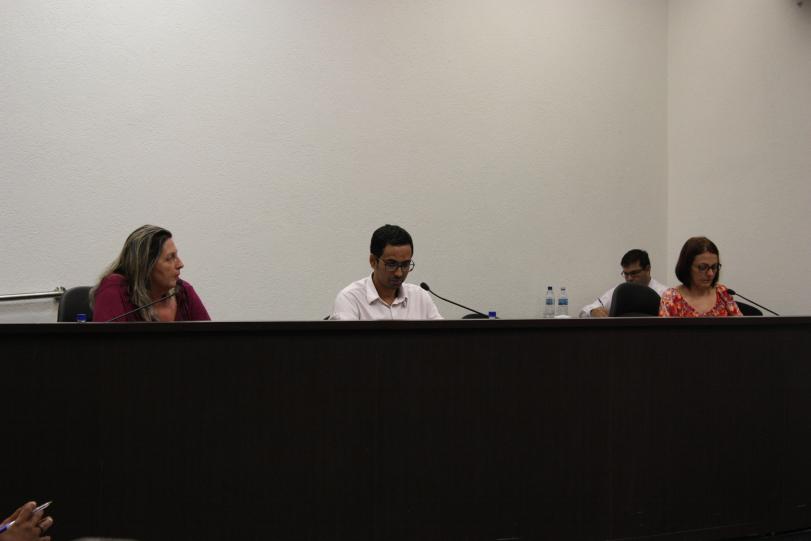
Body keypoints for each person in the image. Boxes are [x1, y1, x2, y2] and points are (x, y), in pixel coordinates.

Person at [91, 225, 211, 322]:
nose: (180, 264)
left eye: (176, 256)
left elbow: (210, 341)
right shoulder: (113, 289)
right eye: (170, 258)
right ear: (145, 266)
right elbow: (106, 344)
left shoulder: (183, 291)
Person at [329, 224, 442, 320]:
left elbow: (442, 336)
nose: (399, 273)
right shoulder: (350, 299)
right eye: (391, 264)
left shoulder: (420, 297)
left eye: (405, 264)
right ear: (373, 261)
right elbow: (345, 340)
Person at [659, 236, 742, 317]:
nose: (710, 273)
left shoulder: (722, 292)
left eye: (714, 267)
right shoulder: (671, 297)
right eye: (703, 267)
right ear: (687, 267)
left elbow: (742, 324)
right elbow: (665, 327)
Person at [579, 249, 668, 317]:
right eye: (626, 274)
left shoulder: (665, 294)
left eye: (634, 273)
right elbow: (584, 311)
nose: (629, 278)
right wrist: (593, 311)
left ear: (648, 269)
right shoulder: (618, 292)